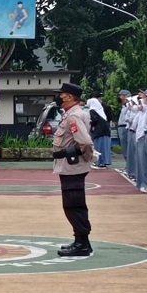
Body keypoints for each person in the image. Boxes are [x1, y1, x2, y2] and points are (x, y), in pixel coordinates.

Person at [51, 82, 94, 256]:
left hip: (72, 166)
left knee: (74, 205)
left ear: (69, 97)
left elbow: (85, 142)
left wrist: (84, 157)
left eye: (61, 94)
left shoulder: (74, 116)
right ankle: (80, 241)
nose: (58, 97)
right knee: (72, 204)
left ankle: (82, 243)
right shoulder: (70, 114)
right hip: (69, 166)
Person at [87, 94, 111, 169]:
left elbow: (94, 120)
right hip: (105, 131)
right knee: (105, 146)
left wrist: (90, 122)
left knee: (98, 146)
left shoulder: (92, 110)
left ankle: (98, 162)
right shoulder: (100, 110)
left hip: (99, 131)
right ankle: (104, 162)